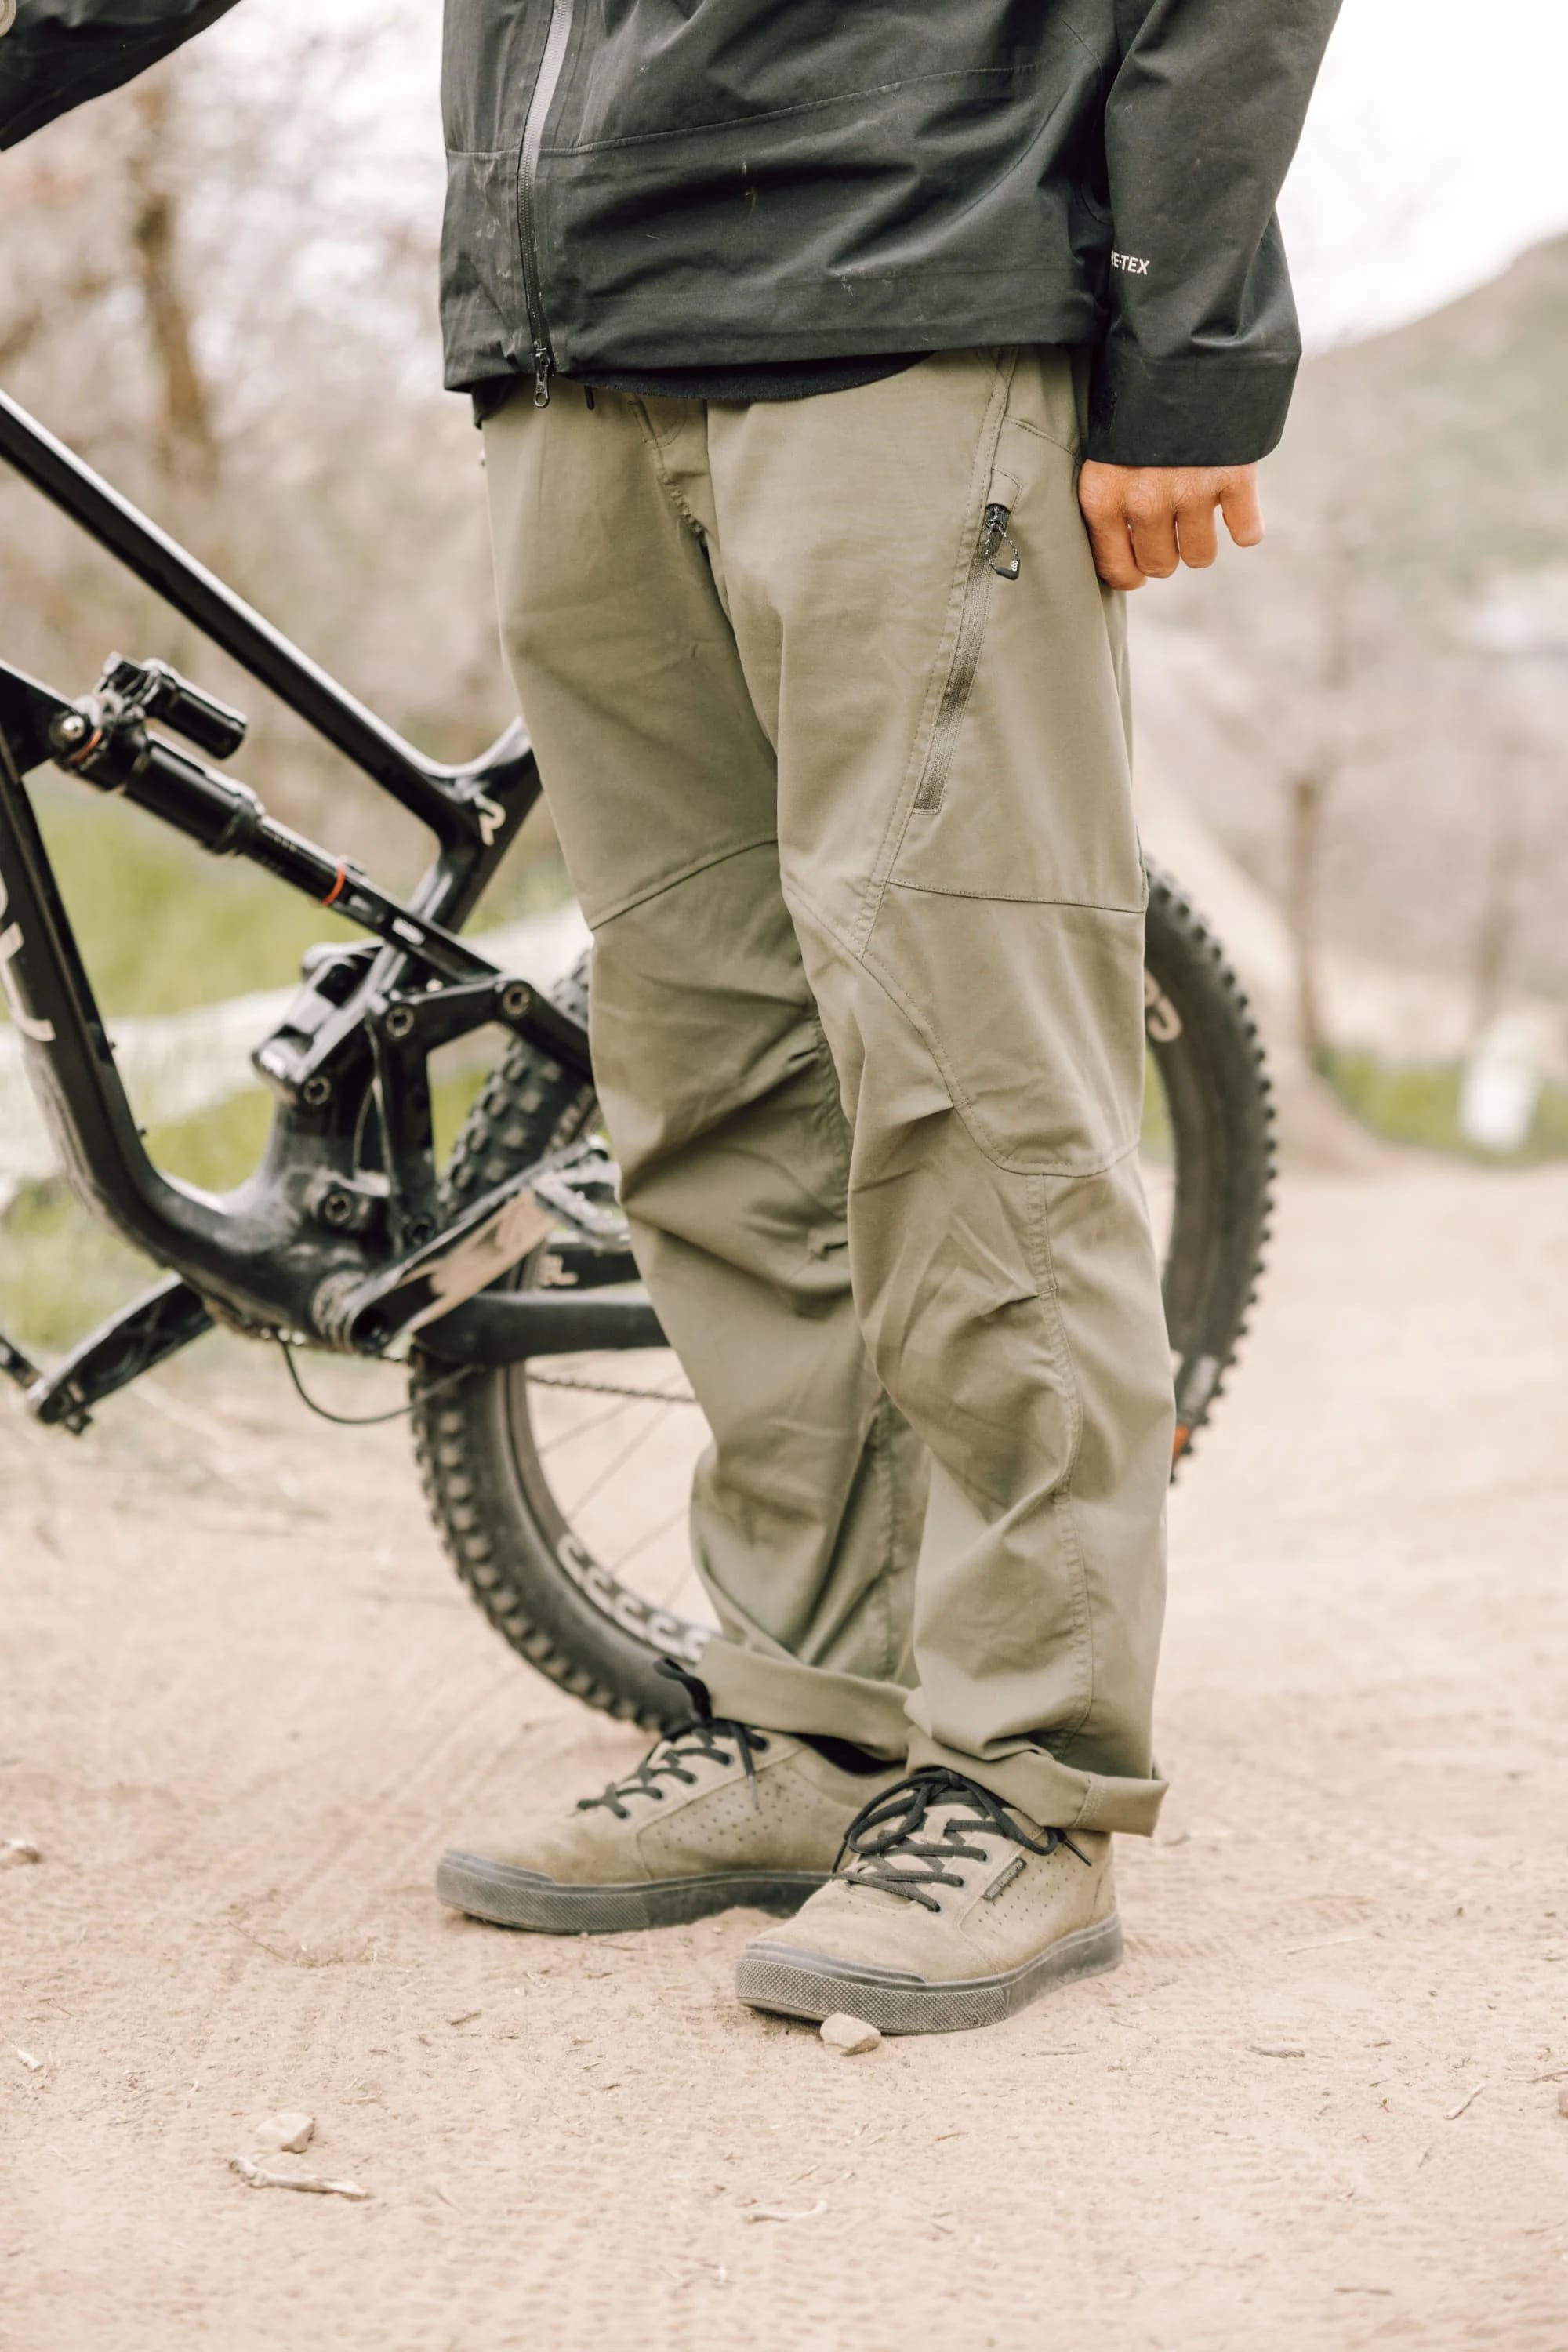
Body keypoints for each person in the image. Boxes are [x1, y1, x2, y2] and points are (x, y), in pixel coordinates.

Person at [3, 0, 1341, 2035]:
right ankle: (813, 1713)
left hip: (907, 282)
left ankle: (1025, 1773)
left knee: (967, 1071)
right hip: (569, 339)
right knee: (704, 1077)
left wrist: (1196, 337)